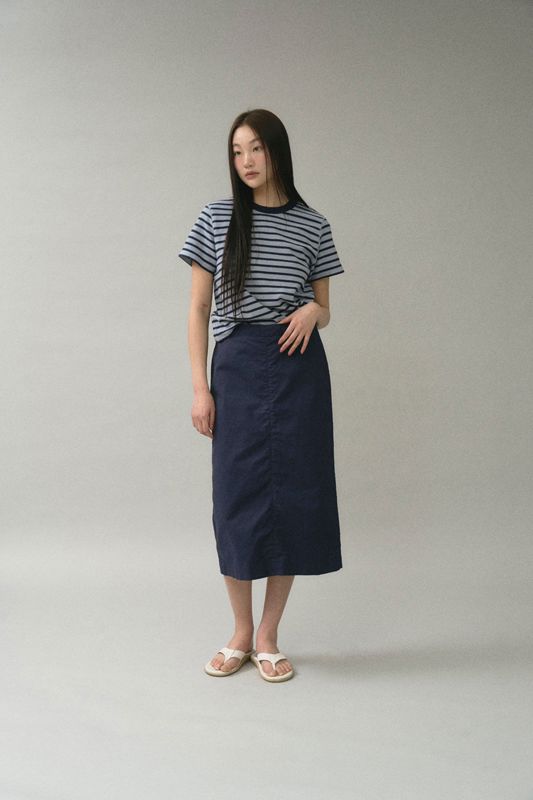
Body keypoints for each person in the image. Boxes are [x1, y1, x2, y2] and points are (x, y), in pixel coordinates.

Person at [178, 108, 344, 683]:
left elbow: (326, 308)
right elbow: (199, 308)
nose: (245, 161)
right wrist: (201, 388)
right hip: (239, 366)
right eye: (236, 151)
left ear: (277, 152)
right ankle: (240, 633)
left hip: (298, 368)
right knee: (237, 497)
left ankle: (269, 635)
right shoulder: (217, 217)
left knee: (294, 496)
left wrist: (313, 310)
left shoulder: (313, 225)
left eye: (256, 149)